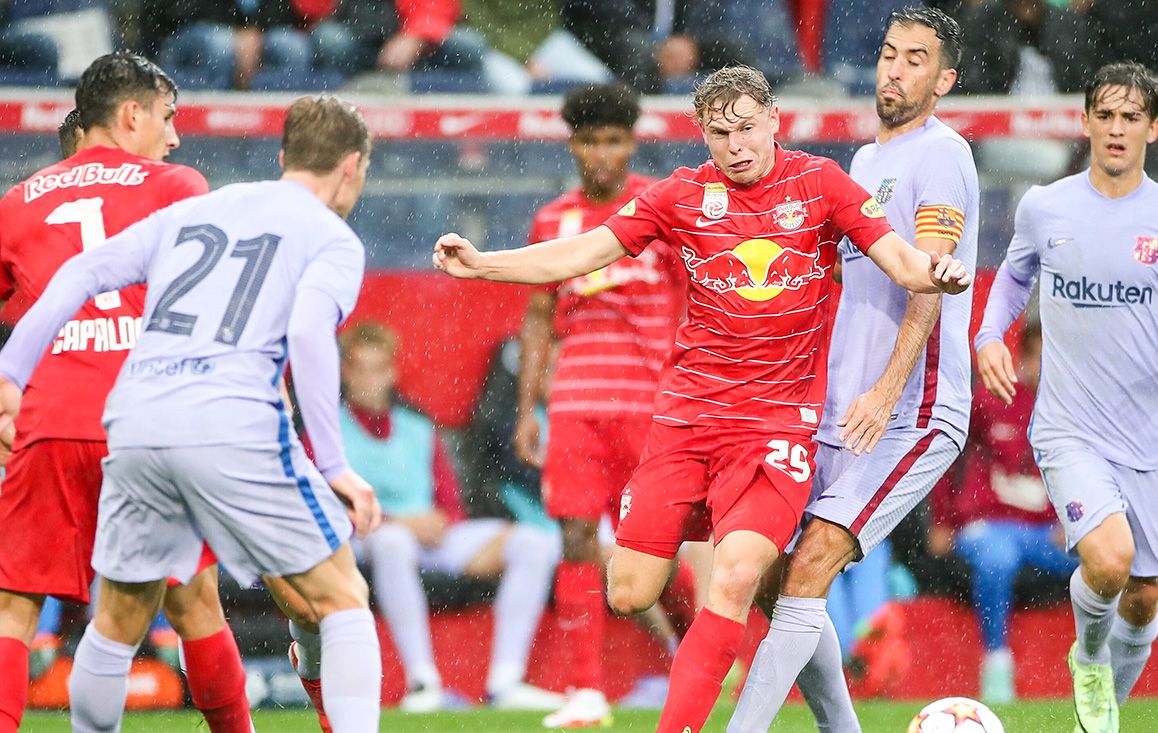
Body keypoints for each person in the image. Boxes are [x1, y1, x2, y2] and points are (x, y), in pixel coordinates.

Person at [434, 63, 972, 733]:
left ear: (775, 121)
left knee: (738, 573)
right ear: (702, 134)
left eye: (747, 128)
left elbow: (899, 259)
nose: (736, 145)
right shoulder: (682, 195)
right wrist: (486, 263)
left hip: (775, 428)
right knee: (629, 591)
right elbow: (577, 254)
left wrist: (937, 268)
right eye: (720, 133)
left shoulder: (821, 184)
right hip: (686, 423)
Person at [0, 93, 383, 733]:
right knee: (341, 598)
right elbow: (311, 332)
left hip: (136, 415)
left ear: (285, 155)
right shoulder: (331, 239)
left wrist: (11, 371)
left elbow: (80, 274)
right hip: (229, 417)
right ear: (353, 168)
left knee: (118, 619)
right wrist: (336, 463)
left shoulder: (199, 209)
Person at [729, 8, 978, 732]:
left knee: (810, 566)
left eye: (916, 60)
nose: (895, 70)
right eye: (890, 54)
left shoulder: (943, 155)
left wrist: (887, 387)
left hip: (912, 410)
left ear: (944, 80)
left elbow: (928, 280)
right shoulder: (865, 164)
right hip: (842, 409)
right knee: (777, 582)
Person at [974, 61, 1158, 733]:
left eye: (1130, 116)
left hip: (1147, 435)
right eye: (1106, 115)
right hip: (1068, 428)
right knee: (1110, 560)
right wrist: (989, 337)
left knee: (1144, 595)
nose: (1117, 128)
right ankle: (1088, 655)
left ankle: (1100, 717)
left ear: (1155, 126)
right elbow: (1009, 281)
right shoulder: (1046, 204)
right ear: (1086, 121)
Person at [0, 53, 253, 733]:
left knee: (13, 609)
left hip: (49, 422)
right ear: (132, 114)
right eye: (167, 117)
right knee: (195, 602)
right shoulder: (177, 184)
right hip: (145, 425)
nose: (173, 136)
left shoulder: (16, 202)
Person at [512, 82, 692, 728]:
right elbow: (537, 317)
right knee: (577, 533)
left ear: (631, 142)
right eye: (590, 140)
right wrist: (526, 407)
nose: (601, 154)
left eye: (613, 140)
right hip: (576, 404)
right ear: (574, 144)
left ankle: (700, 654)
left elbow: (693, 306)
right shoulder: (553, 220)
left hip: (651, 407)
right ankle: (584, 689)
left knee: (655, 553)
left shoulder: (661, 208)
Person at [339, 322, 565, 712]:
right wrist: (397, 523)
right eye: (360, 368)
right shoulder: (330, 427)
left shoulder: (418, 426)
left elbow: (449, 500)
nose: (369, 380)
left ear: (393, 372)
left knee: (533, 542)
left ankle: (506, 681)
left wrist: (442, 520)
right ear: (345, 372)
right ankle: (422, 682)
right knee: (393, 543)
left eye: (378, 369)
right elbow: (327, 508)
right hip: (365, 537)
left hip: (430, 535)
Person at [929, 322, 1075, 705]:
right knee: (998, 558)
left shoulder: (1073, 412)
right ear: (1023, 359)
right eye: (1042, 356)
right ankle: (996, 662)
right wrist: (942, 520)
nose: (1050, 366)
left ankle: (1098, 666)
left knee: (1106, 562)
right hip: (987, 527)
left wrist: (1074, 520)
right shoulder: (990, 400)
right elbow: (947, 456)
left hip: (1047, 534)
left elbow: (1090, 474)